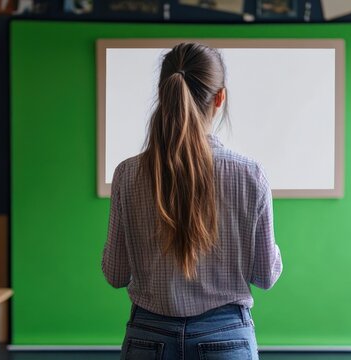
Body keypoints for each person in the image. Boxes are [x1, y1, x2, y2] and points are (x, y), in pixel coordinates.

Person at [102, 42, 283, 360]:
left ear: (163, 94)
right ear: (220, 97)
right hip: (226, 337)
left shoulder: (127, 174)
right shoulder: (250, 174)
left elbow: (115, 274)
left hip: (148, 337)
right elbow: (266, 276)